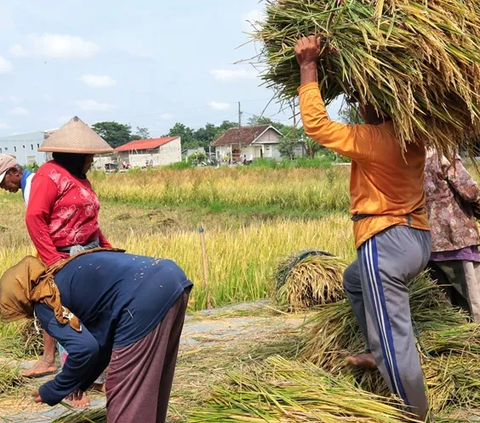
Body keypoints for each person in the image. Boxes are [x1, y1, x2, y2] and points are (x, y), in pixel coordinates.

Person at [294, 36, 431, 420]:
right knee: (354, 280)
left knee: (397, 339)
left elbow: (317, 126)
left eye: (364, 100)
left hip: (385, 242)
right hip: (417, 239)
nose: (358, 105)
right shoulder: (412, 136)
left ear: (381, 106)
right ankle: (377, 350)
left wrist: (309, 66)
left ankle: (415, 415)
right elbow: (370, 107)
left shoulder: (376, 139)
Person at [0, 249, 193, 423]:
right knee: (149, 382)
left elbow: (84, 349)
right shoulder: (65, 273)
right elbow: (99, 343)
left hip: (143, 299)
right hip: (170, 278)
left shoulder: (45, 300)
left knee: (124, 391)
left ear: (20, 300)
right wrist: (80, 382)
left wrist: (54, 389)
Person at [25, 116, 113, 405]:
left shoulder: (80, 178)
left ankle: (96, 378)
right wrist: (53, 260)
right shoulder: (48, 175)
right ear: (76, 154)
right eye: (89, 156)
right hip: (64, 255)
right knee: (69, 318)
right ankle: (73, 386)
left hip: (90, 252)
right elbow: (35, 217)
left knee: (96, 315)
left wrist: (107, 247)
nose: (91, 161)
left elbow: (88, 219)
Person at [424, 149, 480, 323]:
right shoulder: (440, 150)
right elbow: (469, 190)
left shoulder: (407, 154)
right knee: (473, 305)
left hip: (425, 243)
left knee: (445, 311)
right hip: (455, 239)